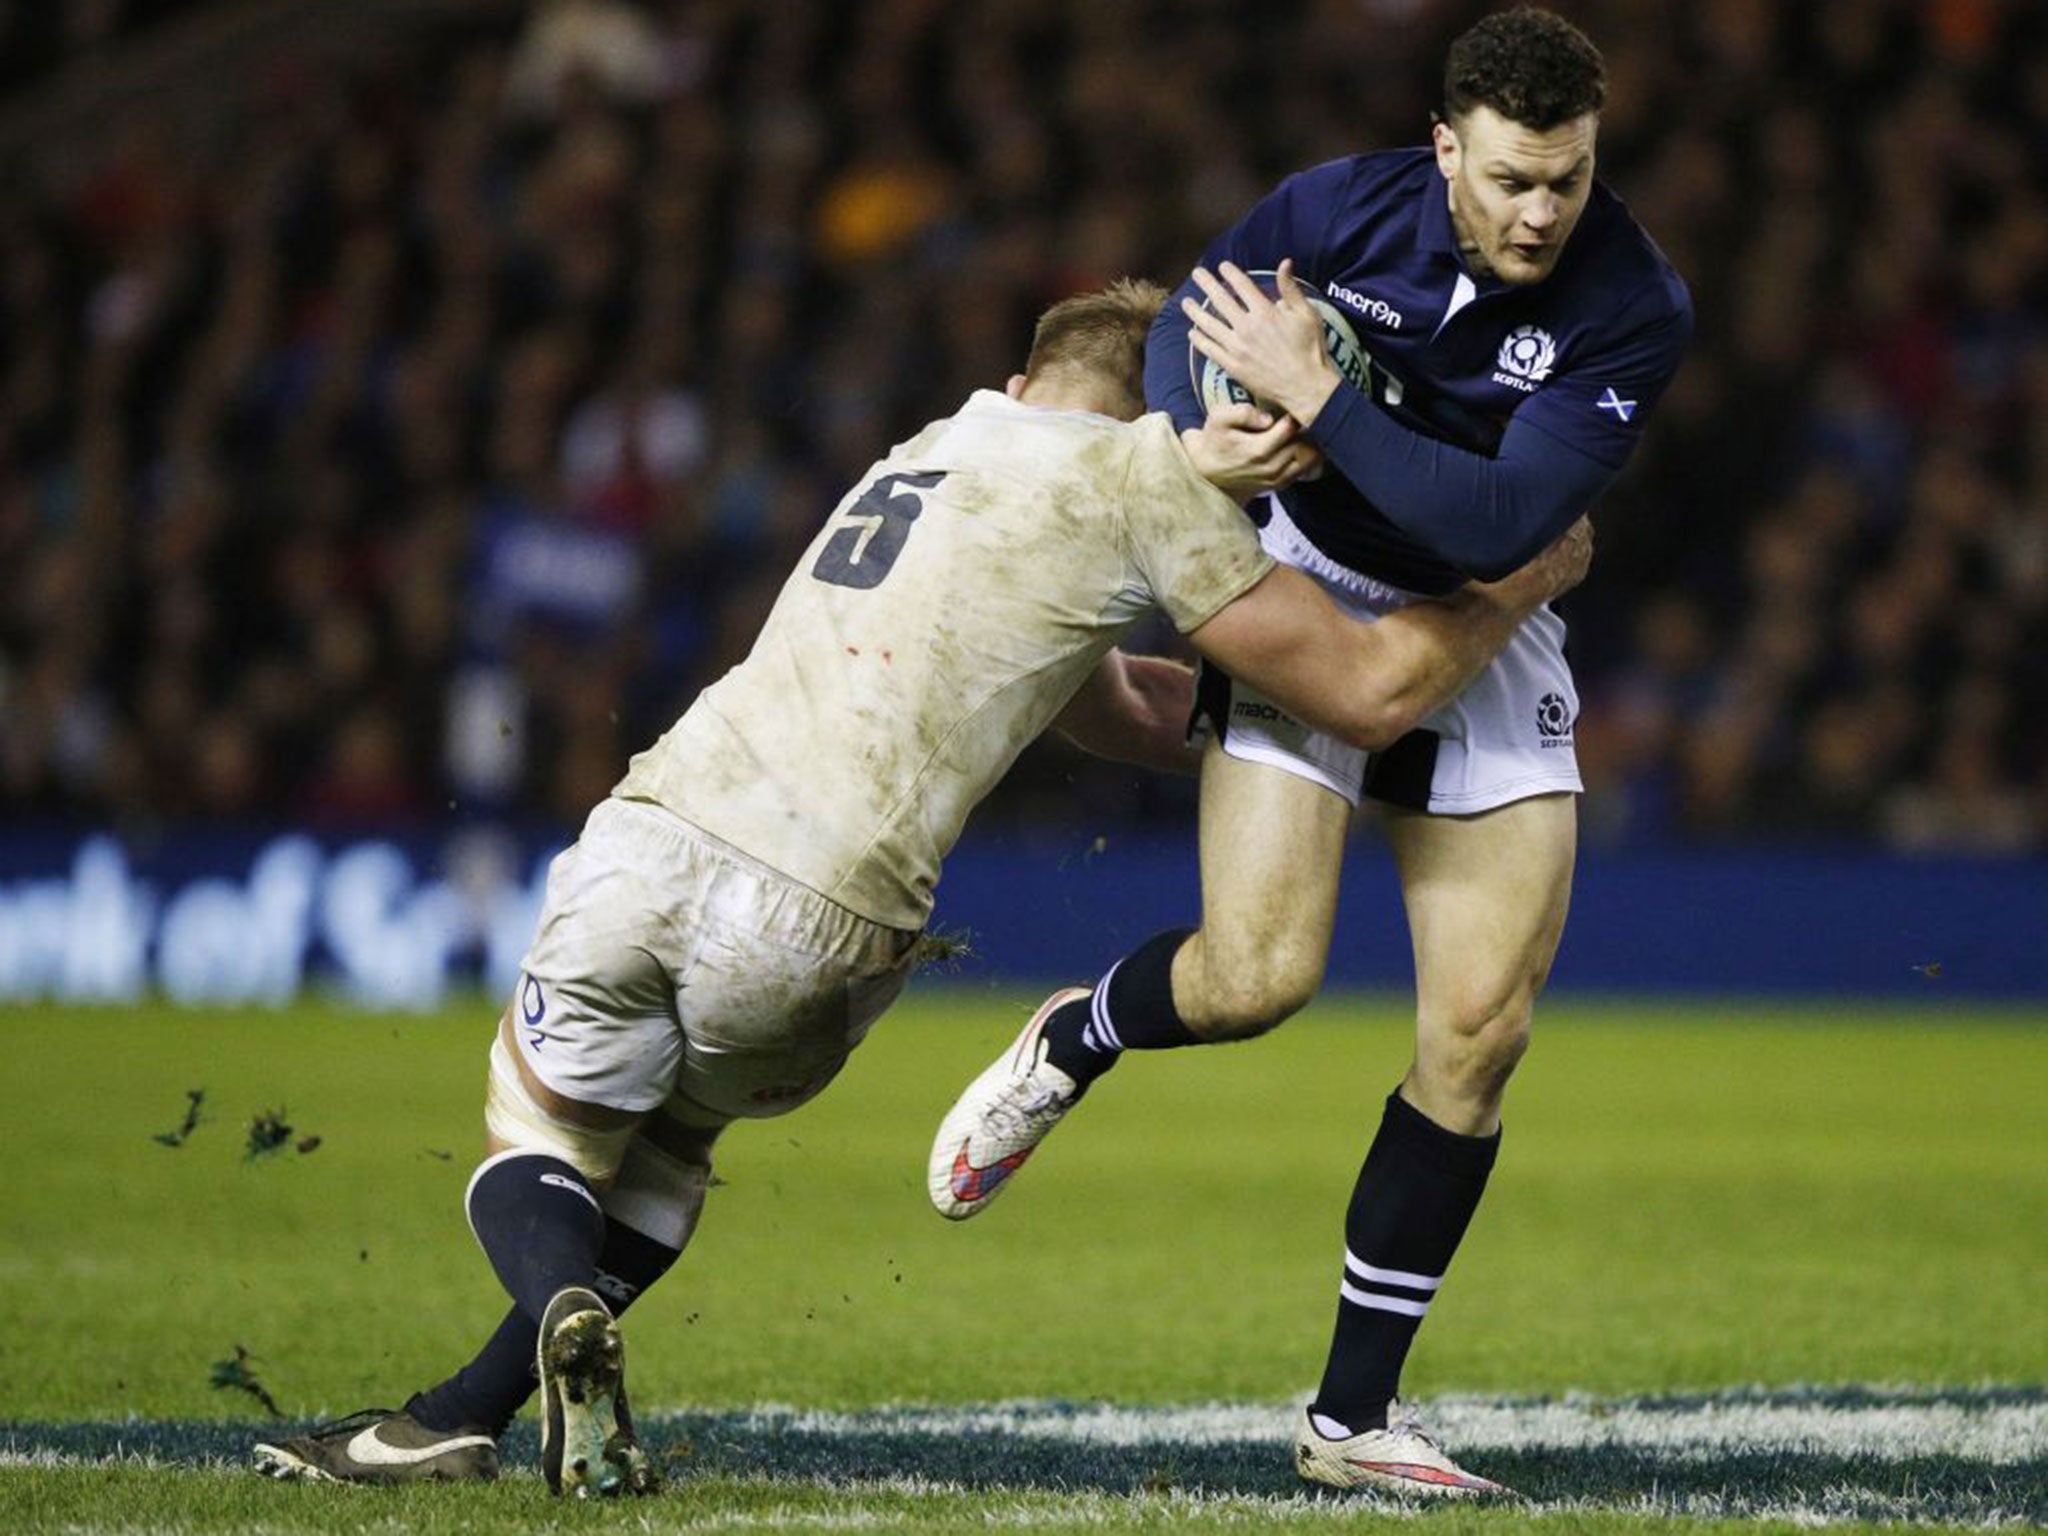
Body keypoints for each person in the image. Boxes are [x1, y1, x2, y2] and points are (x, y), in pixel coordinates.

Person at [251, 277, 1590, 1494]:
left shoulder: (933, 442)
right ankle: (461, 1412)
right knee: (663, 1167)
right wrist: (1504, 577)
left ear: (1022, 381)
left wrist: (1250, 723)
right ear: (1167, 402)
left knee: (542, 1137)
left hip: (670, 834)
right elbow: (1331, 687)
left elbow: (1102, 695)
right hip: (831, 933)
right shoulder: (1144, 481)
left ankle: (551, 1314)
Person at [929, 7, 1690, 1500]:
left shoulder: (1634, 303)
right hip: (1303, 583)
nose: (1544, 212)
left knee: (1482, 1029)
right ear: (1445, 150)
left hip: (1485, 606)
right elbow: (1175, 331)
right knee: (1256, 977)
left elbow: (1494, 529)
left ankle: (1351, 1421)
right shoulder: (1336, 211)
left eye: (1571, 179)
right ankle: (1077, 1036)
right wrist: (1201, 435)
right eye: (1515, 179)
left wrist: (1324, 396)